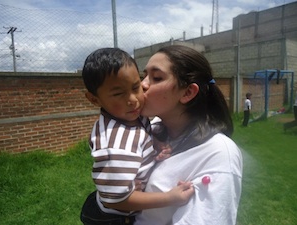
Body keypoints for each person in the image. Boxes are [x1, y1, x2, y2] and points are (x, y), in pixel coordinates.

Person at [80, 47, 194, 225]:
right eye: (118, 93)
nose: (133, 99)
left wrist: (153, 142)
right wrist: (169, 198)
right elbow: (117, 200)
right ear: (94, 99)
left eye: (135, 87)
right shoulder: (115, 143)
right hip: (116, 218)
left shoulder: (134, 115)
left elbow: (141, 134)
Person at [134, 45, 243, 225]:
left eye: (157, 77)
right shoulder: (152, 130)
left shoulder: (219, 154)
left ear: (188, 92)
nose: (142, 84)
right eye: (143, 76)